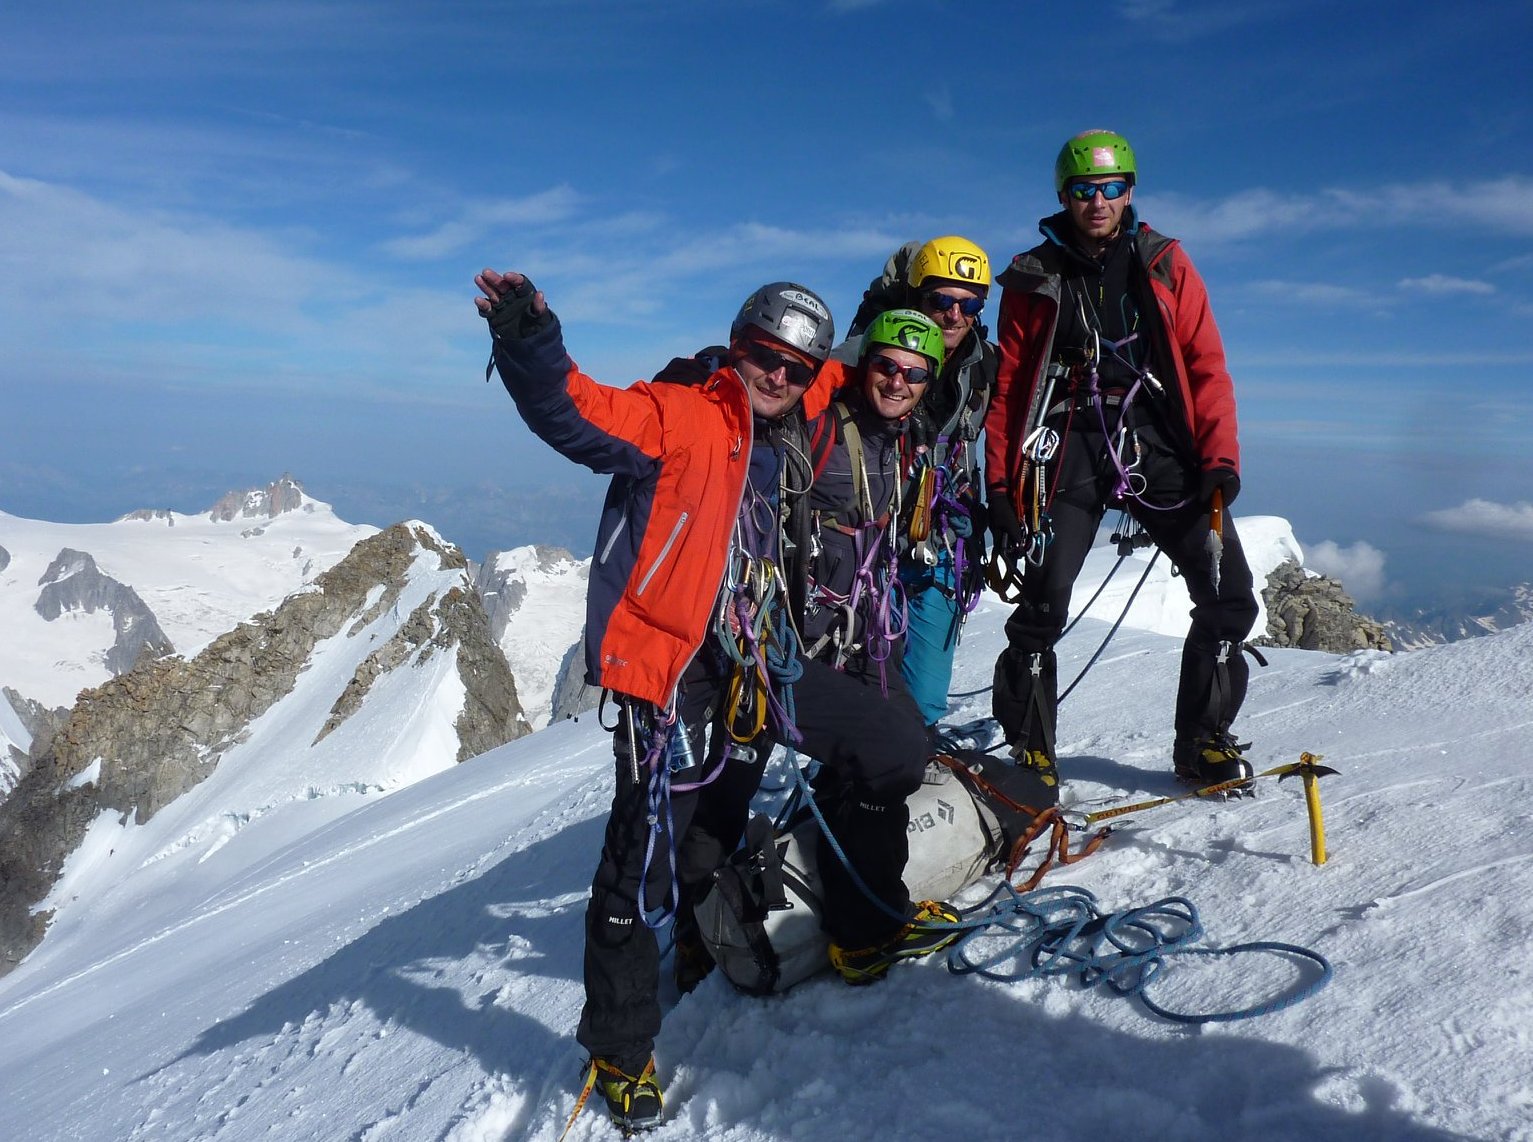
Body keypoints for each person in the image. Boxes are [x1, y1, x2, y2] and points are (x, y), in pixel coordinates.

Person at [475, 270, 955, 1134]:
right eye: (764, 356)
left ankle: (860, 928)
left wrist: (929, 319)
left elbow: (884, 367)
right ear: (736, 346)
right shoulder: (682, 411)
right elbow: (573, 411)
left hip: (763, 666)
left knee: (888, 752)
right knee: (640, 855)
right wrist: (528, 340)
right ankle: (620, 1049)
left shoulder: (803, 419)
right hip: (677, 671)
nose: (778, 375)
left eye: (796, 367)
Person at [982, 129, 1260, 788]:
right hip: (1069, 441)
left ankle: (1202, 742)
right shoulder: (1034, 274)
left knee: (1226, 595)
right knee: (1044, 601)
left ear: (1129, 191)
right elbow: (1010, 384)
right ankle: (1031, 752)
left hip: (1155, 437)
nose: (1098, 201)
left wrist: (1217, 460)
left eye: (1111, 188)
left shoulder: (1163, 262)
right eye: (1084, 190)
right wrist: (1000, 484)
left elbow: (1204, 363)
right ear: (1064, 197)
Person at [839, 238, 998, 740]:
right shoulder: (865, 355)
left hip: (940, 544)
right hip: (868, 546)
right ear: (914, 298)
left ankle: (897, 769)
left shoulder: (982, 366)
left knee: (925, 696)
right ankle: (854, 780)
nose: (954, 315)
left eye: (969, 304)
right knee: (859, 686)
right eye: (940, 301)